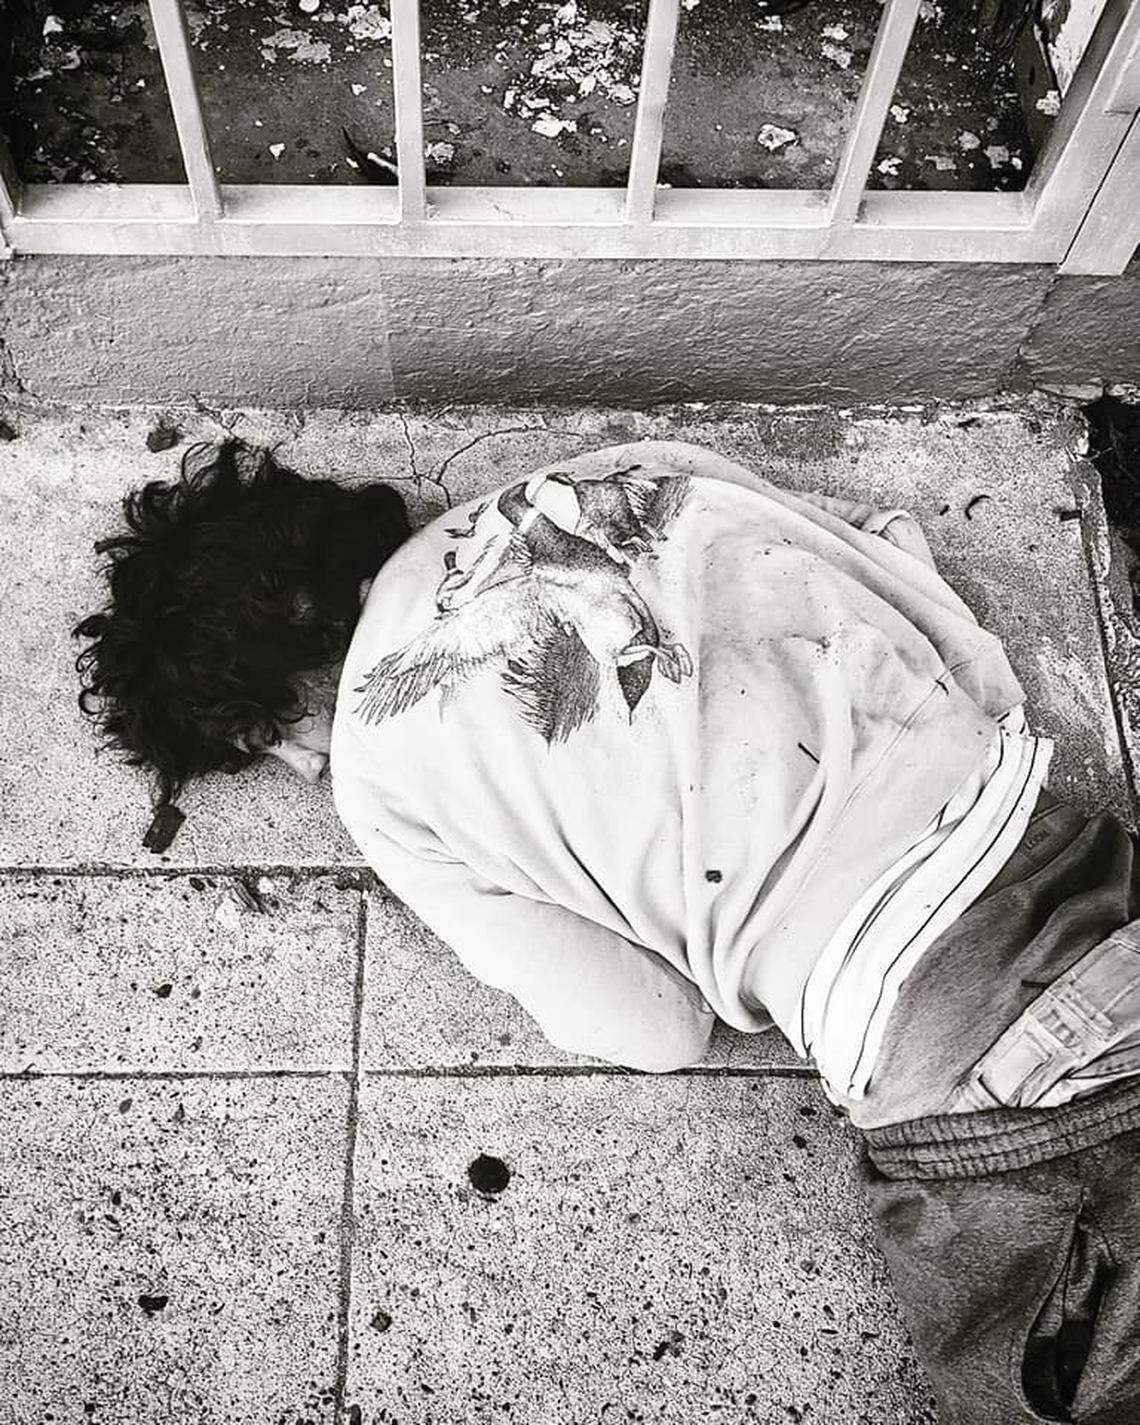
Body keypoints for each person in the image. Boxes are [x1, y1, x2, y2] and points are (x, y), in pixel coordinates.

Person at [76, 437, 1140, 1425]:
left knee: (1035, 1377)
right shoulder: (639, 469)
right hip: (1090, 868)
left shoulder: (379, 773)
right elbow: (905, 584)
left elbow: (657, 1031)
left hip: (991, 1067)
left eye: (282, 736)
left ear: (290, 655)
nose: (309, 768)